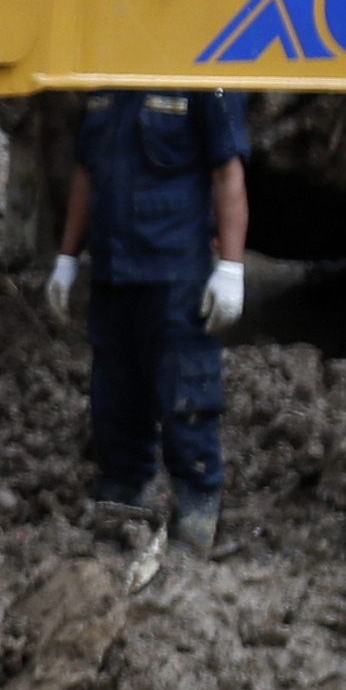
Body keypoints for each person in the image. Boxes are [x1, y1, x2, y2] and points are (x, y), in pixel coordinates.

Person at [47, 82, 253, 550]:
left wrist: (231, 268)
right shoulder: (106, 80)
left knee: (187, 399)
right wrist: (66, 258)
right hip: (114, 274)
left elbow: (227, 172)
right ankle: (120, 514)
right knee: (115, 404)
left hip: (175, 275)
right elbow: (87, 174)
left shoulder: (201, 77)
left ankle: (195, 525)